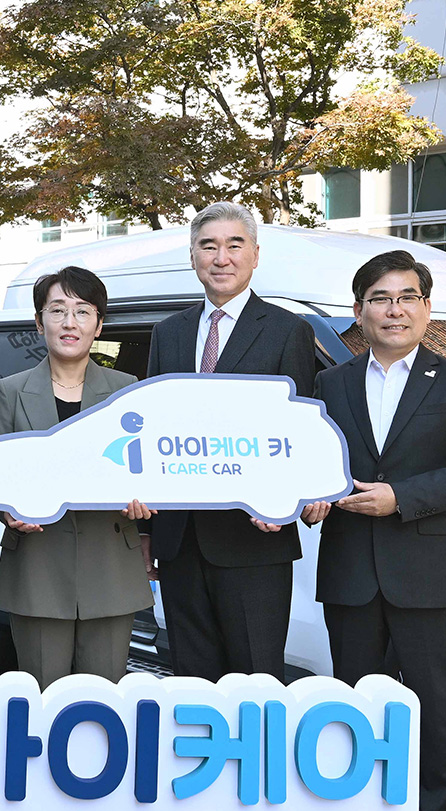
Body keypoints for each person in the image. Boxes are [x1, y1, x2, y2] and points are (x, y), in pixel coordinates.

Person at [301, 249, 446, 811]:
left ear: (426, 308)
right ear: (359, 312)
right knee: (357, 705)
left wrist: (401, 498)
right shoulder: (330, 385)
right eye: (380, 299)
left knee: (437, 705)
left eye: (407, 297)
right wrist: (307, 497)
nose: (394, 310)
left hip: (426, 567)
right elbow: (312, 464)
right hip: (351, 570)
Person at [144, 203, 321, 681]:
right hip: (180, 541)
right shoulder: (168, 333)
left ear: (255, 255)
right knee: (191, 684)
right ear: (193, 257)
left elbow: (302, 430)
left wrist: (289, 501)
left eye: (234, 245)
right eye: (208, 246)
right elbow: (153, 430)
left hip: (254, 541)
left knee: (255, 682)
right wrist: (146, 533)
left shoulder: (288, 331)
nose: (221, 257)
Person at [0, 267, 154, 683]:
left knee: (104, 701)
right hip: (37, 567)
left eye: (82, 311)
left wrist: (143, 502)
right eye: (57, 310)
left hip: (110, 563)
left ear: (98, 325)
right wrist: (8, 513)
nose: (69, 322)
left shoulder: (127, 388)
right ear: (39, 321)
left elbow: (143, 469)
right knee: (43, 696)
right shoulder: (11, 390)